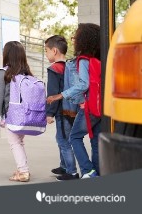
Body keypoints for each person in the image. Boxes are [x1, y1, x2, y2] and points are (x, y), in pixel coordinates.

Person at [47, 23, 101, 179]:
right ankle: (97, 172)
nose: (74, 39)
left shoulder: (83, 60)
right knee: (95, 140)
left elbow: (83, 84)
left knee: (74, 137)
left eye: (76, 37)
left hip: (89, 107)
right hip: (101, 107)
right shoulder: (99, 59)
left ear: (83, 40)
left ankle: (88, 170)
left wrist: (60, 95)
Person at [0, 41, 34, 182]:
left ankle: (23, 172)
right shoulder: (27, 73)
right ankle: (23, 168)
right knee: (19, 142)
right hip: (26, 114)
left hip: (13, 114)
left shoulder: (4, 73)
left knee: (14, 143)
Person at [44, 35, 78, 181]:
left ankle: (72, 172)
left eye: (46, 50)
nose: (46, 54)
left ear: (55, 51)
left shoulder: (54, 69)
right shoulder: (70, 67)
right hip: (72, 109)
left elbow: (53, 93)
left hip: (60, 111)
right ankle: (63, 166)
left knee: (64, 140)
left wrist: (49, 113)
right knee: (62, 138)